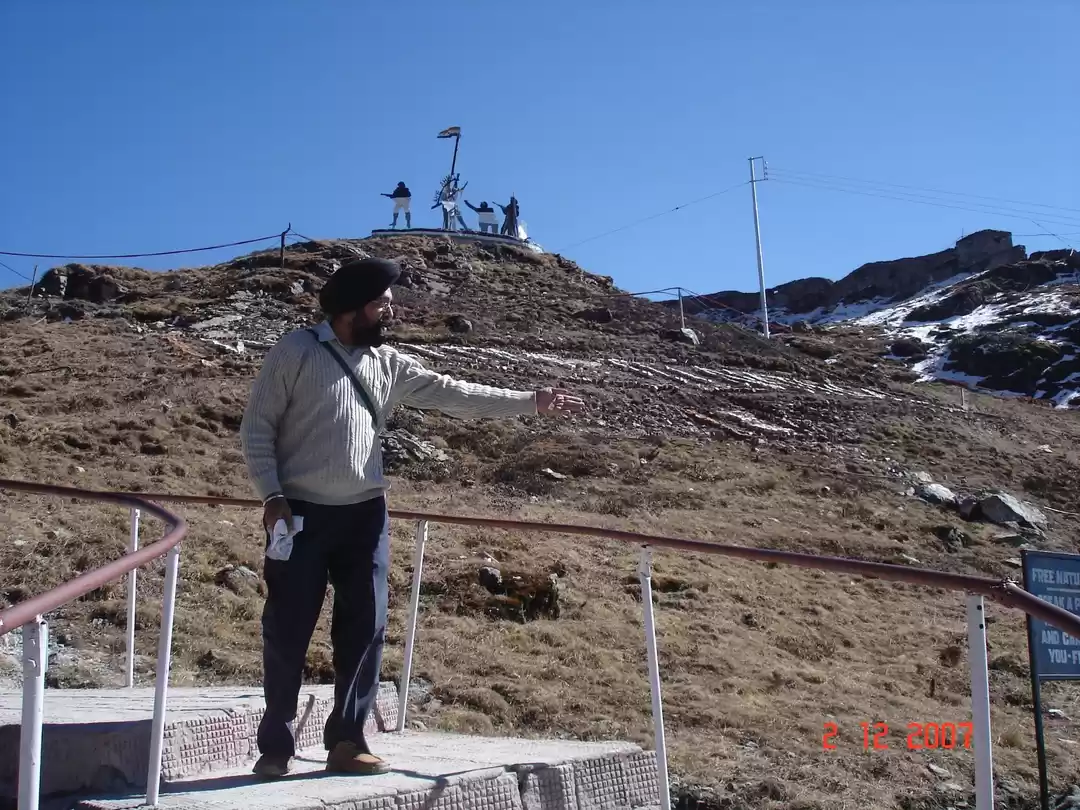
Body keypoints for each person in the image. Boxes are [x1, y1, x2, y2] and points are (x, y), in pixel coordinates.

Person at [238, 257, 584, 779]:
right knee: (286, 630)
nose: (390, 312)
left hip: (365, 516)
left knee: (364, 629)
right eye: (382, 304)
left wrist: (529, 402)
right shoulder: (296, 351)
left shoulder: (388, 364)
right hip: (300, 515)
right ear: (353, 308)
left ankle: (348, 741)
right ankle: (276, 746)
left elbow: (455, 394)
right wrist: (272, 496)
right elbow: (257, 428)